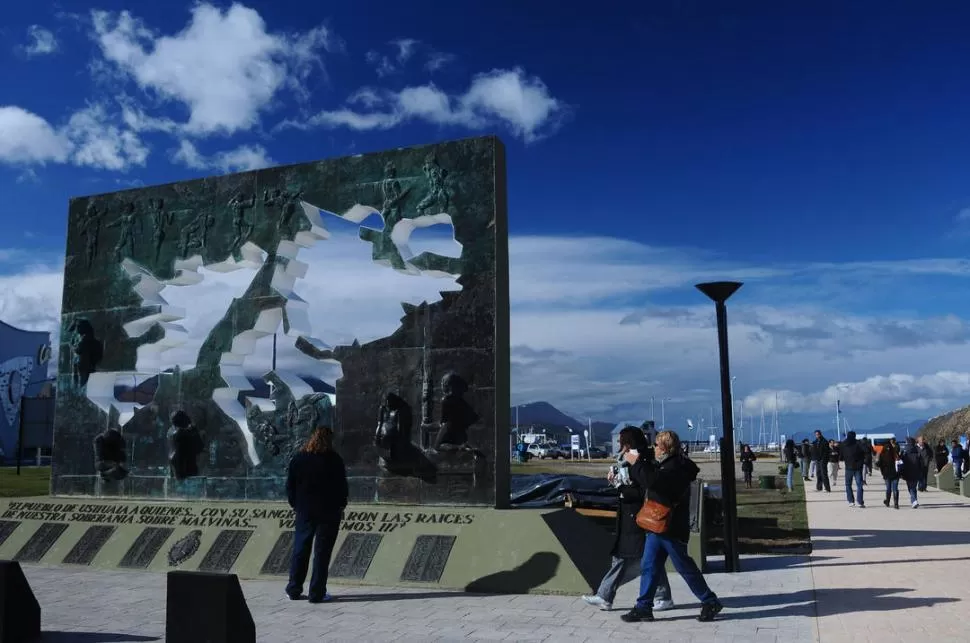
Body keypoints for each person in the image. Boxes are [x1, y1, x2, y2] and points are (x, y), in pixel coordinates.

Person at [621, 430, 723, 624]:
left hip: (670, 526)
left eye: (658, 445)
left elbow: (653, 481)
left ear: (666, 448)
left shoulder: (676, 467)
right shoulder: (666, 464)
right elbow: (649, 478)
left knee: (684, 566)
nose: (655, 449)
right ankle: (643, 607)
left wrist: (636, 463)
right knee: (649, 566)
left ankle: (710, 601)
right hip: (657, 525)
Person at [583, 427, 675, 612]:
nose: (619, 445)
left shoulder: (641, 459)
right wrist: (616, 479)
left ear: (627, 442)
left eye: (622, 441)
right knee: (645, 558)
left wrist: (621, 489)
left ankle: (605, 595)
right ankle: (661, 596)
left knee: (628, 557)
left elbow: (643, 489)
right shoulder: (629, 458)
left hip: (638, 515)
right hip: (629, 515)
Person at [285, 426, 348, 603]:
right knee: (322, 553)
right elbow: (342, 487)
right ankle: (316, 592)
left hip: (305, 511)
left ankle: (294, 589)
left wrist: (296, 505)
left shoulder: (299, 458)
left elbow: (290, 485)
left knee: (300, 549)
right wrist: (341, 505)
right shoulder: (334, 460)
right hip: (328, 512)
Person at [839, 431, 866, 508]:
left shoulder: (844, 444)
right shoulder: (858, 443)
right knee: (859, 485)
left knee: (848, 485)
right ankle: (860, 502)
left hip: (848, 467)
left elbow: (841, 455)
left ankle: (851, 501)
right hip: (858, 467)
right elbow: (866, 450)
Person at [877, 437, 902, 509]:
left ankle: (887, 501)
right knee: (895, 488)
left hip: (886, 473)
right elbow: (899, 461)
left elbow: (879, 463)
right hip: (895, 473)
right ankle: (896, 504)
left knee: (888, 488)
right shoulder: (895, 452)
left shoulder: (882, 453)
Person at [901, 437, 922, 508]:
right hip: (916, 472)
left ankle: (914, 501)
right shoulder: (917, 451)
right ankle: (914, 500)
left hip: (908, 472)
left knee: (911, 488)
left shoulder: (904, 452)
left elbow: (901, 462)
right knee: (914, 487)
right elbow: (921, 463)